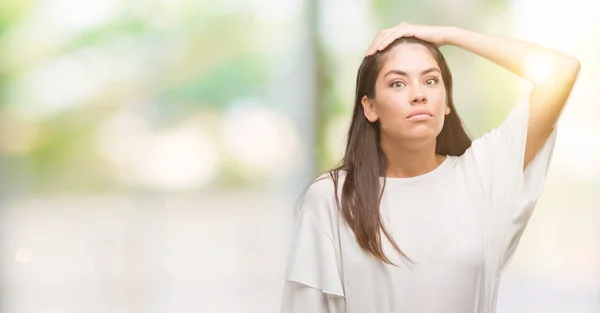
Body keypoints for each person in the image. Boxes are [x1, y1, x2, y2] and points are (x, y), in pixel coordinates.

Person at [280, 22, 580, 313]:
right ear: (370, 107)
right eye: (398, 83)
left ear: (446, 101)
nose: (418, 93)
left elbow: (561, 71)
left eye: (431, 80)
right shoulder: (332, 198)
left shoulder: (482, 175)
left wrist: (449, 35)